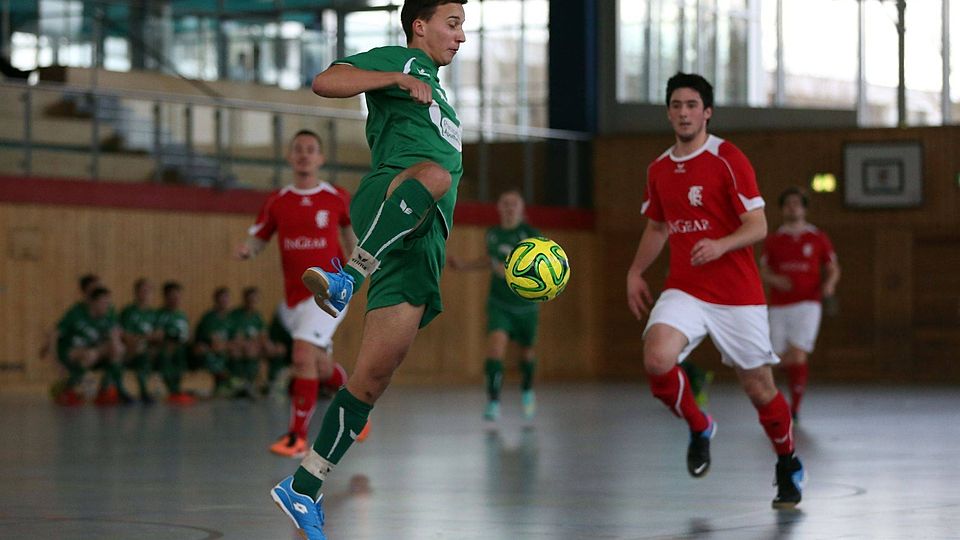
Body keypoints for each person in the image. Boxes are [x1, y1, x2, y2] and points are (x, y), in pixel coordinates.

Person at [269, 2, 467, 537]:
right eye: (452, 24)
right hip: (390, 199)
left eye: (463, 27)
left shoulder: (440, 96)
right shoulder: (402, 61)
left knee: (373, 376)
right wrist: (396, 78)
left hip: (419, 245)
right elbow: (325, 81)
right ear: (420, 26)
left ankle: (303, 486)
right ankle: (347, 277)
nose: (461, 37)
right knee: (434, 176)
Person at [625, 72, 804, 509]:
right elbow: (657, 227)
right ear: (668, 113)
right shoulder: (659, 169)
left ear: (707, 112)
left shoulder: (727, 158)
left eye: (692, 105)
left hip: (737, 293)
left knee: (759, 388)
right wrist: (635, 271)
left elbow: (758, 225)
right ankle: (700, 426)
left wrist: (721, 244)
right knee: (657, 359)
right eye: (676, 106)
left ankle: (787, 462)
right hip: (685, 287)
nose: (683, 113)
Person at [237, 129, 358, 458]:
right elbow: (259, 237)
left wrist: (358, 272)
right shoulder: (278, 200)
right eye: (299, 149)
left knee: (301, 356)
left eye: (311, 149)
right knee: (318, 367)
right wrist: (248, 250)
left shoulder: (336, 197)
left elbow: (352, 239)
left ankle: (297, 438)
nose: (304, 154)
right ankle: (356, 408)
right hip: (294, 298)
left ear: (321, 158)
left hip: (330, 291)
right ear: (290, 157)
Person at [448, 190, 541, 421]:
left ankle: (527, 390)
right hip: (499, 303)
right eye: (505, 203)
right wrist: (464, 266)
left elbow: (541, 267)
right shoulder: (493, 234)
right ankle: (493, 401)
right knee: (495, 350)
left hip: (526, 306)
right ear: (499, 207)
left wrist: (514, 272)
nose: (509, 208)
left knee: (527, 353)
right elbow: (489, 260)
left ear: (521, 208)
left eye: (514, 204)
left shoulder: (531, 235)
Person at [761, 187, 840, 420]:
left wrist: (829, 284)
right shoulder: (774, 239)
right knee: (775, 357)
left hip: (808, 303)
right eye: (788, 204)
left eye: (797, 203)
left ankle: (794, 408)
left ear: (804, 208)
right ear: (783, 209)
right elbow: (763, 269)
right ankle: (773, 399)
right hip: (779, 305)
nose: (793, 207)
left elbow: (833, 267)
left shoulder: (817, 237)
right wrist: (775, 279)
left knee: (797, 355)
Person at [54, 286, 129, 405]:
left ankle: (104, 390)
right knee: (90, 355)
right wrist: (56, 361)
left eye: (108, 303)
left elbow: (117, 347)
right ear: (94, 303)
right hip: (70, 352)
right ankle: (68, 389)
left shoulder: (107, 319)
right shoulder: (76, 314)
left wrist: (114, 339)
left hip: (93, 353)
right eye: (104, 303)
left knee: (117, 351)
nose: (107, 306)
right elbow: (54, 334)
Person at [120, 278, 162, 403]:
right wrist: (146, 337)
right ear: (136, 293)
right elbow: (126, 336)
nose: (145, 294)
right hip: (131, 349)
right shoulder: (128, 312)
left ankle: (171, 389)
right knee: (140, 350)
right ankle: (143, 391)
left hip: (150, 348)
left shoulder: (154, 313)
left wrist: (148, 338)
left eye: (148, 291)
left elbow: (159, 335)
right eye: (142, 291)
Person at [155, 281, 194, 405]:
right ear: (166, 297)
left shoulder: (182, 315)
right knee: (167, 353)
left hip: (182, 347)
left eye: (178, 296)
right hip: (165, 346)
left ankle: (178, 388)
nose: (176, 299)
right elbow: (158, 335)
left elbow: (187, 334)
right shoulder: (160, 315)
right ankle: (172, 389)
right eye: (172, 296)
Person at [193, 287, 235, 397]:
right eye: (222, 299)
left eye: (226, 298)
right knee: (211, 352)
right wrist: (226, 345)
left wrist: (229, 345)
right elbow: (214, 343)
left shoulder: (231, 318)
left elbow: (237, 339)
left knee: (239, 351)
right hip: (209, 350)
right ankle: (226, 382)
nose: (224, 301)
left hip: (225, 349)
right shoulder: (209, 318)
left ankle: (240, 382)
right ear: (216, 300)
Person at [228, 286, 268, 399]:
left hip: (253, 346)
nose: (252, 302)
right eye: (250, 299)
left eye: (255, 299)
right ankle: (238, 383)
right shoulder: (236, 315)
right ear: (245, 299)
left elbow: (263, 335)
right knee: (239, 351)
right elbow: (236, 336)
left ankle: (255, 383)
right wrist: (246, 343)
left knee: (263, 350)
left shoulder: (258, 316)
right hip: (237, 346)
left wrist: (258, 343)